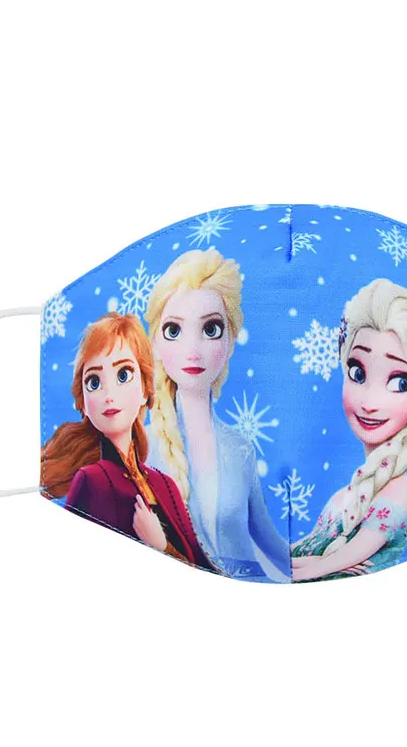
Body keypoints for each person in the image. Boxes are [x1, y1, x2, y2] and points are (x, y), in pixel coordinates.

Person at [144, 248, 290, 582]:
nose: (192, 351)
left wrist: (325, 565)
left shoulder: (240, 448)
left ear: (230, 342)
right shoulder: (144, 448)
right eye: (174, 330)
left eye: (211, 329)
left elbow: (269, 541)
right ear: (155, 344)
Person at [41, 312, 214, 571]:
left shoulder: (165, 485)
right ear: (83, 403)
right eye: (94, 382)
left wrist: (162, 545)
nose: (109, 395)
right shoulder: (90, 481)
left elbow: (202, 566)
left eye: (123, 375)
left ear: (145, 389)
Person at [291, 278, 407, 581]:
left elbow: (336, 560)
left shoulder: (396, 494)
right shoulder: (345, 496)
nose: (370, 403)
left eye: (399, 382)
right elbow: (306, 554)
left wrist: (314, 567)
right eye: (358, 373)